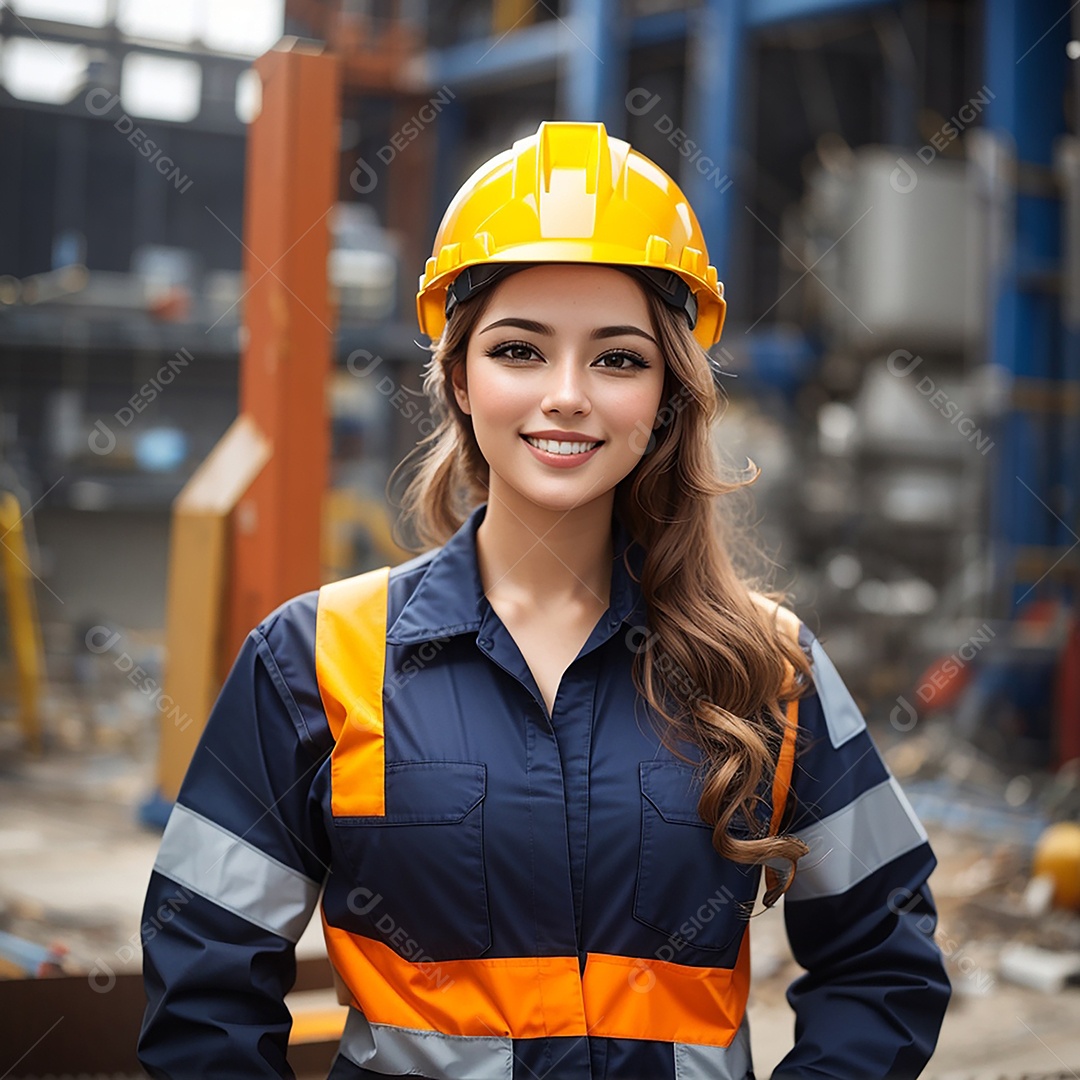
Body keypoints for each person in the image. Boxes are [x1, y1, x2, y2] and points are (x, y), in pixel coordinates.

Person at [137, 120, 951, 1080]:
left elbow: (884, 961)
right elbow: (204, 986)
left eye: (618, 359)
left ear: (668, 394)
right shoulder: (313, 660)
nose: (567, 395)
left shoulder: (766, 668)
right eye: (520, 350)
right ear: (458, 376)